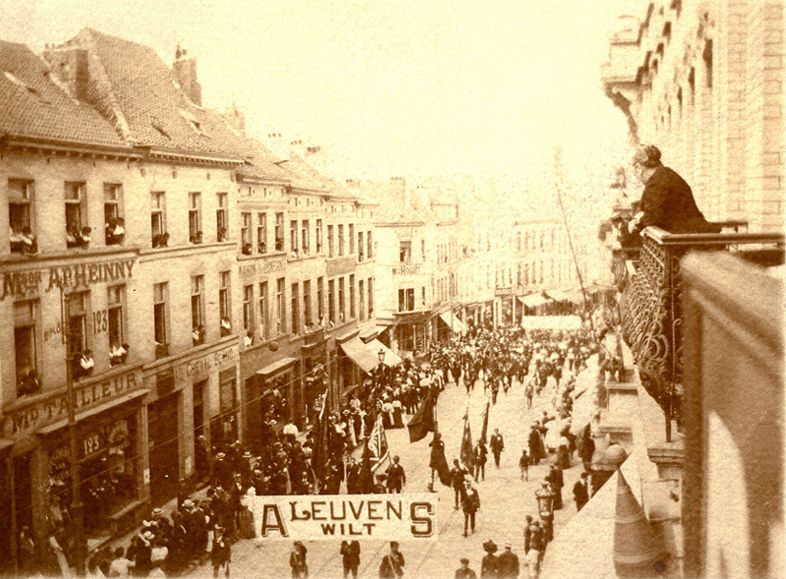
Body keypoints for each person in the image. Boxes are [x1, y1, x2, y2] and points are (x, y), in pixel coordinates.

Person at [628, 144, 720, 235]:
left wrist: (636, 224)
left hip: (688, 239)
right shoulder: (664, 175)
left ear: (638, 168)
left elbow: (652, 215)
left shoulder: (657, 182)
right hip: (687, 235)